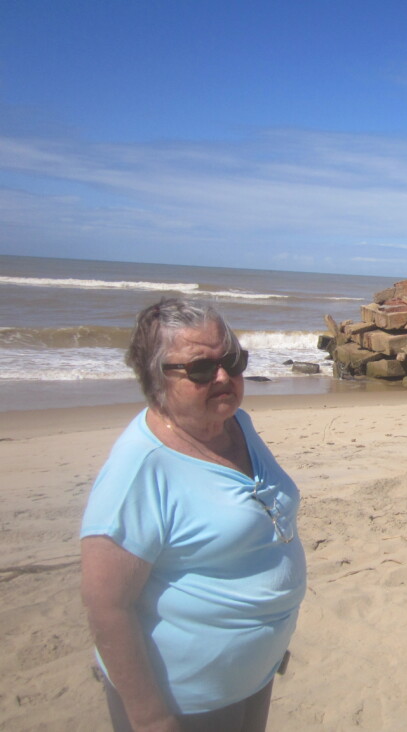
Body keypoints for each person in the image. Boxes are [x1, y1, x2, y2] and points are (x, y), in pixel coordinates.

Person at [80, 299, 306, 732]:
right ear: (155, 377)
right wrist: (149, 718)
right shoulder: (140, 469)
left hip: (251, 678)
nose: (224, 376)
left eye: (233, 360)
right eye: (201, 369)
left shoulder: (236, 423)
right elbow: (106, 604)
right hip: (186, 702)